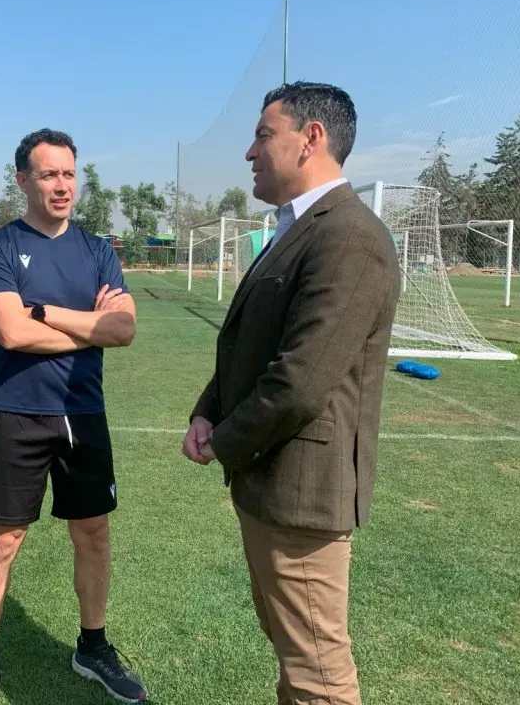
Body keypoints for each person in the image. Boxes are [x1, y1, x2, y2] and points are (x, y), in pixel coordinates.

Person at [182, 81, 400, 705]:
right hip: (272, 483)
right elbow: (252, 346)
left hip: (303, 493)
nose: (250, 152)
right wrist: (207, 410)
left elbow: (300, 380)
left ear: (311, 139)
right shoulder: (295, 228)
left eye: (261, 135)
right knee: (294, 654)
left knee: (318, 677)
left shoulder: (348, 237)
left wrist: (223, 440)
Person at [0, 129, 148, 704]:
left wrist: (47, 314)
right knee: (3, 540)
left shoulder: (98, 250)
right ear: (22, 181)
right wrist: (90, 331)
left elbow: (126, 329)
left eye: (68, 174)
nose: (61, 186)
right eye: (48, 175)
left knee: (92, 532)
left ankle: (93, 647)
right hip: (18, 411)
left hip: (83, 413)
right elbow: (11, 331)